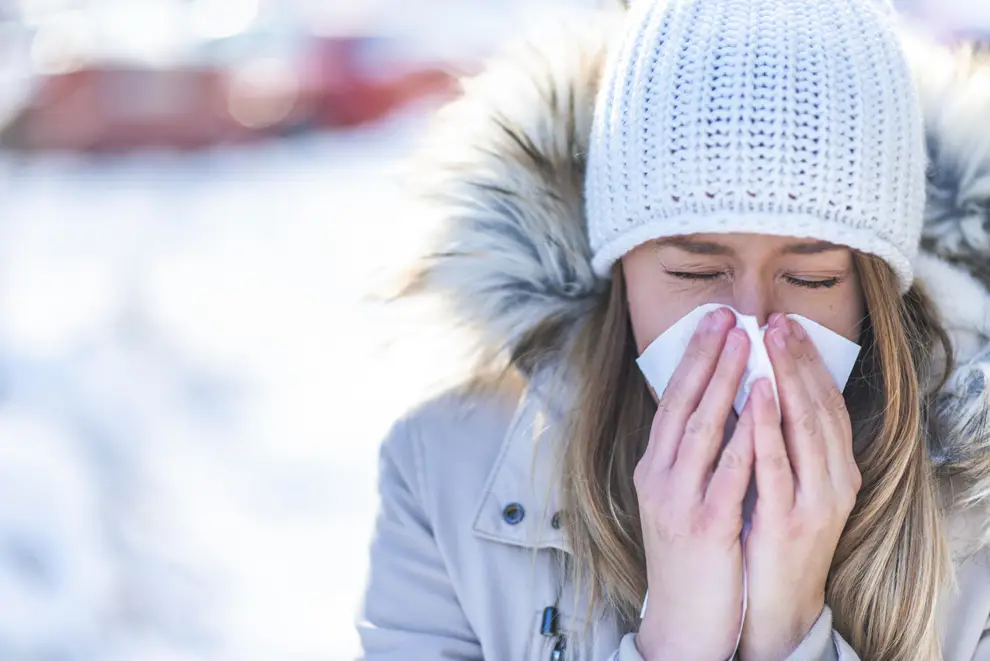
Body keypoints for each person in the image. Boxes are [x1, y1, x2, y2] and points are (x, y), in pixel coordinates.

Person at [357, 0, 990, 659]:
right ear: (620, 268)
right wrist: (676, 642)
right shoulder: (447, 474)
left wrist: (789, 634)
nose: (749, 326)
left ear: (874, 290)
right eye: (695, 270)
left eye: (812, 278)